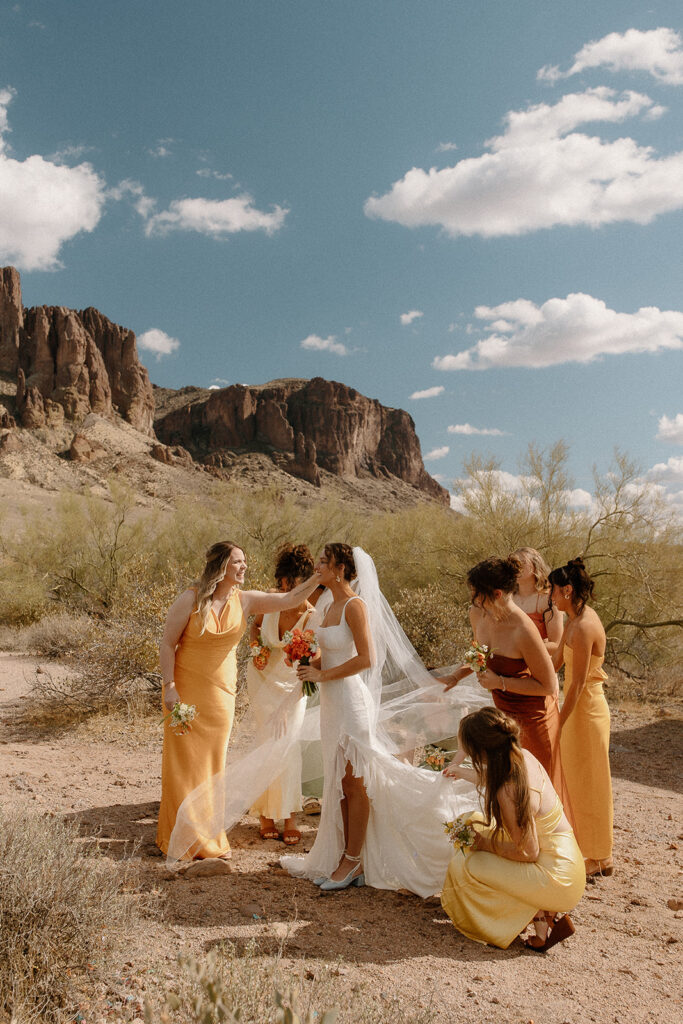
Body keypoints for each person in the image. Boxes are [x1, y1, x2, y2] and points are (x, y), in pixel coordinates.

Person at [167, 543, 491, 891]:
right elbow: (321, 655)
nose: (317, 566)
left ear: (339, 569)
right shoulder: (326, 603)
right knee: (337, 782)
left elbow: (366, 659)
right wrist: (295, 692)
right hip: (332, 703)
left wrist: (321, 677)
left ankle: (353, 861)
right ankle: (341, 854)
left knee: (356, 781)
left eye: (324, 562)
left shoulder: (355, 606)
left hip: (351, 701)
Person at [156, 540, 321, 861]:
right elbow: (166, 644)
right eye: (238, 562)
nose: (244, 567)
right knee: (184, 765)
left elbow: (289, 598)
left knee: (212, 764)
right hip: (185, 692)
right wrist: (169, 686)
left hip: (221, 695)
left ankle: (207, 835)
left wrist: (317, 578)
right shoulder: (190, 599)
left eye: (244, 562)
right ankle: (177, 835)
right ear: (221, 566)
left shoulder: (245, 601)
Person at [441, 707, 585, 950]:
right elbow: (496, 776)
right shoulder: (521, 755)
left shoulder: (509, 790)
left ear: (482, 752)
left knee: (469, 863)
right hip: (566, 860)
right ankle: (542, 918)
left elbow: (529, 853)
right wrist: (461, 772)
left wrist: (484, 844)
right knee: (472, 820)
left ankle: (525, 914)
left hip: (557, 877)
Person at [438, 557, 568, 805]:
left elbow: (549, 686)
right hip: (503, 717)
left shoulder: (523, 629)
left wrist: (500, 683)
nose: (474, 600)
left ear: (496, 594)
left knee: (533, 793)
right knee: (504, 789)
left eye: (477, 594)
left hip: (534, 718)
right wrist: (456, 675)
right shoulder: (478, 615)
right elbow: (480, 652)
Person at [246, 543, 316, 845]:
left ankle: (289, 816)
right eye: (283, 582)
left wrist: (291, 700)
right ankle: (265, 814)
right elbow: (255, 626)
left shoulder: (312, 615)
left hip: (291, 685)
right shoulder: (270, 601)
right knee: (267, 742)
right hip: (261, 680)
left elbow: (314, 656)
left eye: (291, 583)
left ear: (304, 581)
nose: (285, 588)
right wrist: (256, 649)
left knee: (288, 745)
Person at [549, 558, 613, 878]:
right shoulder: (572, 620)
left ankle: (601, 856)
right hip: (575, 711)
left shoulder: (586, 625)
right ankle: (583, 848)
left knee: (592, 783)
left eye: (553, 591)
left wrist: (557, 722)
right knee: (574, 780)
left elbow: (576, 683)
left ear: (568, 590)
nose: (551, 597)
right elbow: (557, 661)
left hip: (587, 711)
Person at [510, 547, 564, 655]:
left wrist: (521, 649)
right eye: (513, 563)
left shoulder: (548, 599)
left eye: (523, 562)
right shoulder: (506, 598)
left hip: (536, 665)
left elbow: (556, 645)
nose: (517, 567)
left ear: (535, 566)